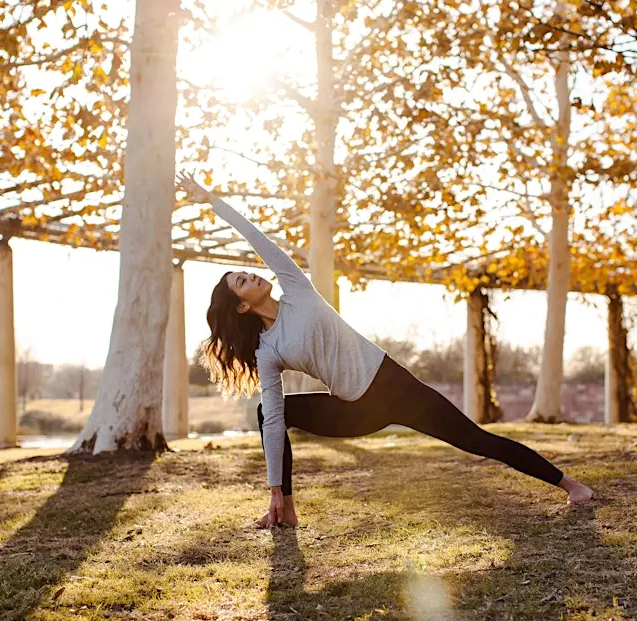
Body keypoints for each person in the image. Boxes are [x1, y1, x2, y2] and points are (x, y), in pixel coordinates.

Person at [177, 173, 595, 528]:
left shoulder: (297, 289)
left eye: (246, 272)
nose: (251, 274)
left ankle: (570, 486)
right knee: (269, 412)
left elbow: (256, 237)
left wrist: (211, 200)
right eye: (241, 282)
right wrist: (273, 487)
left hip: (392, 384)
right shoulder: (268, 349)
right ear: (243, 306)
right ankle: (285, 509)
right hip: (353, 410)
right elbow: (273, 419)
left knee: (474, 439)